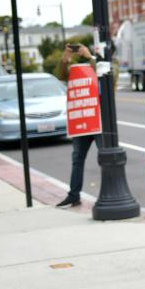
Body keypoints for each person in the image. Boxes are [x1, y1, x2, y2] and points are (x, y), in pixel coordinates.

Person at [54, 44, 103, 208]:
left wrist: (90, 58)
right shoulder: (75, 70)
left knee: (105, 158)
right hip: (82, 121)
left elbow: (104, 75)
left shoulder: (102, 65)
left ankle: (106, 194)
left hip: (98, 120)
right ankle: (73, 195)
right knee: (77, 159)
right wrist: (65, 59)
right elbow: (61, 75)